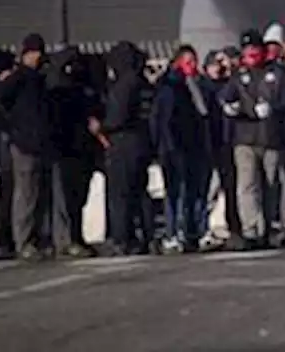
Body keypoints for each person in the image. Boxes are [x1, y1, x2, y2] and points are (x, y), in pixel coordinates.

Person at [0, 33, 54, 261]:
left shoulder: (38, 79)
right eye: (35, 52)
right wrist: (10, 129)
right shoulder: (19, 78)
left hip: (38, 143)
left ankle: (35, 238)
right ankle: (23, 241)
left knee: (38, 194)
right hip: (24, 144)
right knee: (26, 194)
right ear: (26, 54)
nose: (39, 56)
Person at [222, 34, 285, 249]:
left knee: (271, 184)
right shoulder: (239, 74)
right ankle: (252, 230)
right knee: (247, 185)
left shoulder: (277, 73)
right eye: (247, 50)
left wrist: (274, 110)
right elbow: (227, 96)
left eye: (255, 49)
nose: (251, 54)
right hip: (244, 138)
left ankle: (271, 227)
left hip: (270, 137)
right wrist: (230, 107)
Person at [153, 46, 213, 253]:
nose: (193, 66)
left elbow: (205, 114)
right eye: (188, 62)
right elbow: (163, 121)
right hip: (174, 149)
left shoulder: (200, 85)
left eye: (194, 61)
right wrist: (167, 147)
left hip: (195, 147)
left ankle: (195, 231)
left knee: (196, 192)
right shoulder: (170, 87)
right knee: (175, 192)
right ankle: (173, 233)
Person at [98, 41, 155, 256]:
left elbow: (116, 117)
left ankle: (122, 239)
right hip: (142, 142)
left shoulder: (124, 85)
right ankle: (148, 236)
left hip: (123, 143)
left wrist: (101, 126)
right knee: (140, 192)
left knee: (120, 194)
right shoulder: (144, 84)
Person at [45, 48, 98, 258]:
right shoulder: (58, 92)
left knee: (77, 198)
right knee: (67, 198)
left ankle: (74, 237)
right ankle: (68, 239)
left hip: (79, 148)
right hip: (66, 149)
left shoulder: (81, 90)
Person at [200, 50, 238, 249]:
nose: (219, 68)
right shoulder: (203, 87)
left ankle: (233, 228)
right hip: (210, 144)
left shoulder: (228, 85)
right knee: (209, 190)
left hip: (227, 143)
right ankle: (202, 229)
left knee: (230, 188)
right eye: (215, 64)